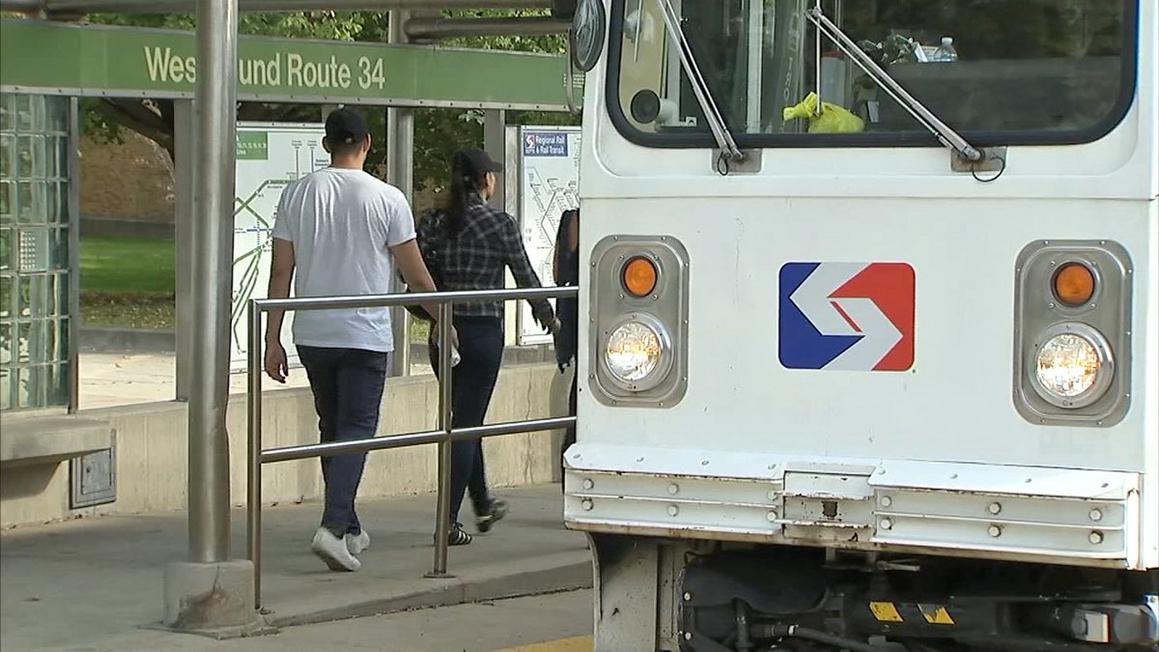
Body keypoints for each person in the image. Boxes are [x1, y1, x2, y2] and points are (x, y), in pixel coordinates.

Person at [264, 108, 445, 572]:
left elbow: (282, 269)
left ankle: (348, 524)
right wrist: (443, 317)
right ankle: (330, 527)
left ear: (327, 145)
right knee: (357, 430)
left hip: (313, 332)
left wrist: (272, 337)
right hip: (365, 333)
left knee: (332, 427)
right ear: (366, 143)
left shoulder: (297, 194)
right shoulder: (387, 198)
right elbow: (414, 272)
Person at [418, 147, 558, 546]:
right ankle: (446, 522)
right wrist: (546, 314)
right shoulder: (499, 222)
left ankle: (482, 504)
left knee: (463, 420)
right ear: (485, 181)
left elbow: (415, 270)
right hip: (481, 334)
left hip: (442, 331)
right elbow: (524, 272)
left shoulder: (433, 221)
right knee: (465, 426)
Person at [552, 208, 580, 479]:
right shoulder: (574, 218)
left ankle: (567, 469)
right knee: (578, 398)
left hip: (572, 315)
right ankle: (569, 466)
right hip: (580, 316)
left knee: (577, 397)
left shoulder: (571, 218)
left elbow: (559, 274)